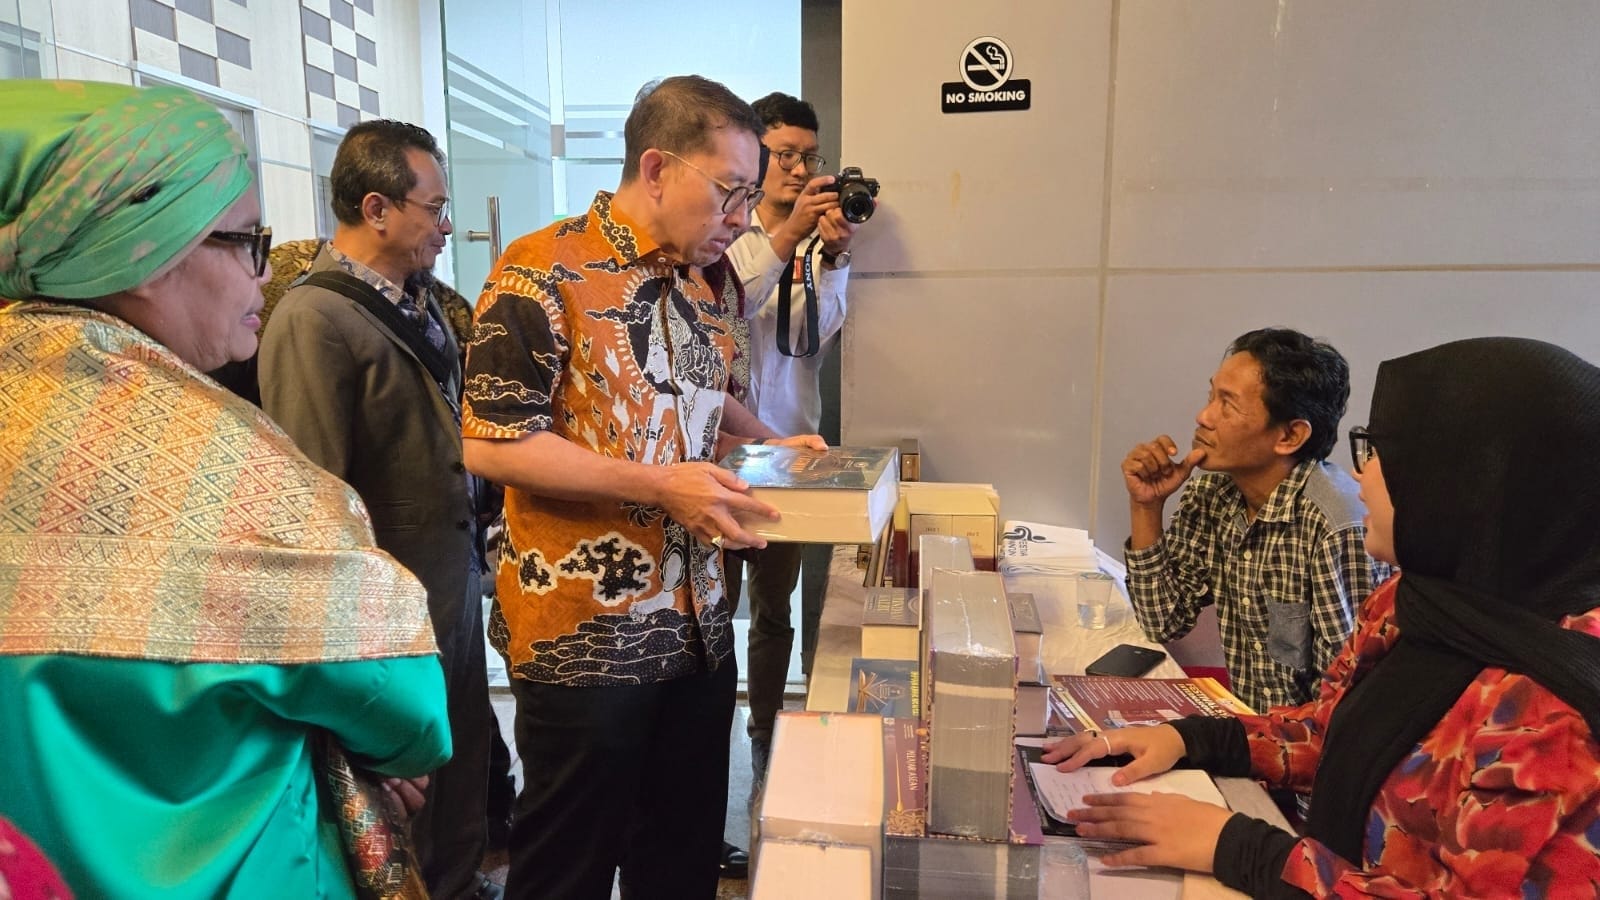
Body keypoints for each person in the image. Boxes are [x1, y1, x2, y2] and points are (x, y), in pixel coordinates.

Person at [0, 80, 450, 899]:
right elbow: (402, 693)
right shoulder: (221, 460)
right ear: (148, 252)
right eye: (247, 240)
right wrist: (376, 756)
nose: (264, 272)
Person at [1047, 337, 1600, 897]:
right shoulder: (1416, 602)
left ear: (1470, 487)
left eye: (1383, 456)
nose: (1362, 478)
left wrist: (1240, 847)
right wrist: (1186, 738)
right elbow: (1326, 732)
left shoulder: (1557, 716)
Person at [462, 74, 823, 899]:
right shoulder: (539, 272)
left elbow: (701, 403)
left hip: (700, 630)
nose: (742, 217)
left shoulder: (704, 282)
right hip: (585, 640)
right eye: (730, 191)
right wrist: (658, 485)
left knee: (681, 864)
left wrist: (772, 446)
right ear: (657, 168)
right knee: (567, 870)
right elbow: (492, 443)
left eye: (749, 196)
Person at [257, 121, 500, 900]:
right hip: (387, 615)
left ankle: (460, 883)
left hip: (447, 588)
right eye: (435, 208)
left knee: (459, 764)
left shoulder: (426, 305)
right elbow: (313, 498)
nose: (445, 226)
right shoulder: (313, 321)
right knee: (405, 795)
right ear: (377, 208)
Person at [1120, 327, 1388, 712]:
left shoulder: (1335, 525)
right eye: (1211, 396)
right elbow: (1162, 621)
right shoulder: (1213, 492)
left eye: (1227, 404)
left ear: (1290, 436)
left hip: (1305, 742)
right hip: (1252, 728)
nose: (1203, 416)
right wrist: (1146, 506)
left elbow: (1348, 700)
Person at [723, 92, 865, 788]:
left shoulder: (815, 243)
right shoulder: (727, 232)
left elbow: (823, 332)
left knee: (774, 610)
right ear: (757, 155)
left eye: (810, 156)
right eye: (786, 154)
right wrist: (786, 239)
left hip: (789, 452)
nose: (800, 169)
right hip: (719, 455)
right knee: (712, 610)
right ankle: (708, 726)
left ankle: (766, 729)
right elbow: (733, 302)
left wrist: (833, 258)